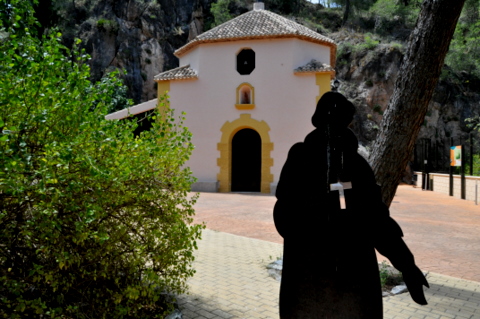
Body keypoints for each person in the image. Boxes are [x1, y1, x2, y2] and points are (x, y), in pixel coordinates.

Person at [273, 91, 429, 318]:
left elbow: (377, 219)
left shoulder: (353, 165)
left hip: (334, 273)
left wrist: (407, 264)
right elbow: (284, 214)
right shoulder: (307, 159)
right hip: (318, 273)